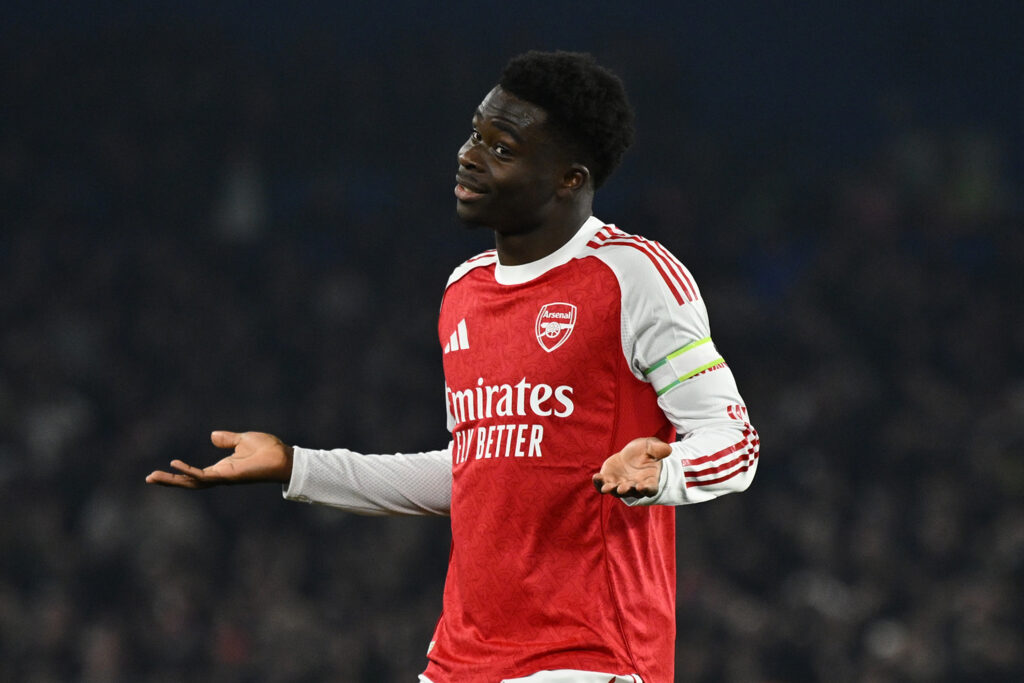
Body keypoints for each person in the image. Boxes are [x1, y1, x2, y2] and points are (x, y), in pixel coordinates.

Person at [147, 50, 759, 683]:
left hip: (588, 658)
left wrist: (664, 473)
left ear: (569, 178)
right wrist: (298, 465)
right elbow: (474, 474)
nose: (469, 155)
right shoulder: (463, 291)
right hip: (460, 663)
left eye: (504, 148)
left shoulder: (633, 277)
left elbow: (736, 444)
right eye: (476, 133)